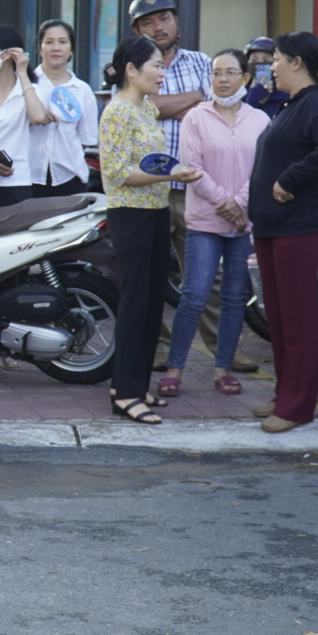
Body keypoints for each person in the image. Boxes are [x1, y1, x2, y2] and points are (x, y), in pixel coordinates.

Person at [128, 0, 251, 371]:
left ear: (176, 23)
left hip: (197, 187)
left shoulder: (201, 62)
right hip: (149, 187)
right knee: (149, 273)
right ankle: (159, 346)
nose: (158, 27)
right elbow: (147, 107)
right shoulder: (133, 65)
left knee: (209, 277)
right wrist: (195, 97)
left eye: (163, 18)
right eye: (148, 22)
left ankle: (223, 349)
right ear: (136, 30)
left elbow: (215, 109)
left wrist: (187, 102)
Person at [98, 36, 204, 425]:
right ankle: (126, 393)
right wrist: (173, 173)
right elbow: (118, 174)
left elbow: (153, 162)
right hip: (130, 216)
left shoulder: (145, 109)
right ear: (131, 70)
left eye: (163, 66)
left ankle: (134, 385)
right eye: (155, 66)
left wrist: (176, 171)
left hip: (156, 211)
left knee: (152, 303)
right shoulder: (117, 113)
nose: (162, 73)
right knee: (135, 304)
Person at [249, 32, 318, 433]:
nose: (271, 66)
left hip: (298, 229)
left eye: (275, 59)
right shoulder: (294, 105)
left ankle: (297, 408)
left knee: (299, 322)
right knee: (278, 319)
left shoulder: (313, 104)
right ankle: (284, 393)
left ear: (296, 63)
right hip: (272, 227)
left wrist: (289, 180)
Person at [161, 49, 268, 399]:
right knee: (194, 295)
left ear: (246, 78)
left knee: (235, 297)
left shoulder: (260, 120)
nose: (223, 79)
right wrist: (226, 202)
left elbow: (263, 170)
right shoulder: (196, 117)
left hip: (243, 223)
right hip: (205, 221)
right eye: (217, 73)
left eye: (231, 73)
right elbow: (191, 167)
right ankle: (175, 367)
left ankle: (222, 369)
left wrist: (240, 204)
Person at [0, 24, 50, 211]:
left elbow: (38, 117)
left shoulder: (31, 90)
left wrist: (23, 74)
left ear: (7, 54)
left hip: (16, 181)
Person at [28, 19, 98, 197]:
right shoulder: (27, 84)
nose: (56, 48)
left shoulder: (82, 90)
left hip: (70, 177)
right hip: (29, 176)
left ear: (71, 49)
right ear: (39, 47)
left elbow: (85, 139)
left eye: (62, 42)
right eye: (49, 42)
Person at [242, 36, 288, 118]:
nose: (259, 66)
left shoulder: (286, 94)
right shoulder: (240, 92)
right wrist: (254, 98)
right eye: (254, 60)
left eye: (266, 61)